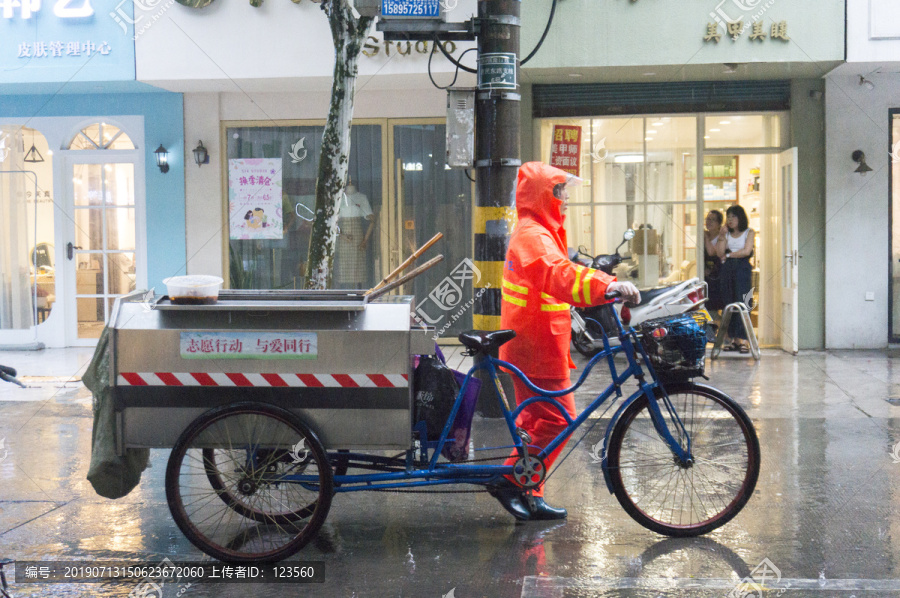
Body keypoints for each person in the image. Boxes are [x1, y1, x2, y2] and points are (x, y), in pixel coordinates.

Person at [489, 162, 641, 521]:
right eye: (561, 191)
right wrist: (606, 286)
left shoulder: (539, 230)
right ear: (545, 195)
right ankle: (510, 481)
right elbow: (559, 275)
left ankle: (529, 489)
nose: (567, 198)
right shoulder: (533, 235)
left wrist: (600, 282)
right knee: (558, 420)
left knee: (534, 424)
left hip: (536, 343)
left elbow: (561, 270)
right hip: (535, 348)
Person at [716, 205, 755, 354]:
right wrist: (721, 236)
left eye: (733, 216)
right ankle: (731, 338)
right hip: (727, 269)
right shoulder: (726, 233)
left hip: (742, 268)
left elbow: (746, 251)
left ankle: (743, 339)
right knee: (729, 301)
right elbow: (720, 253)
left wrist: (729, 255)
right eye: (728, 217)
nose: (730, 220)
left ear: (741, 218)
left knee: (744, 301)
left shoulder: (748, 232)